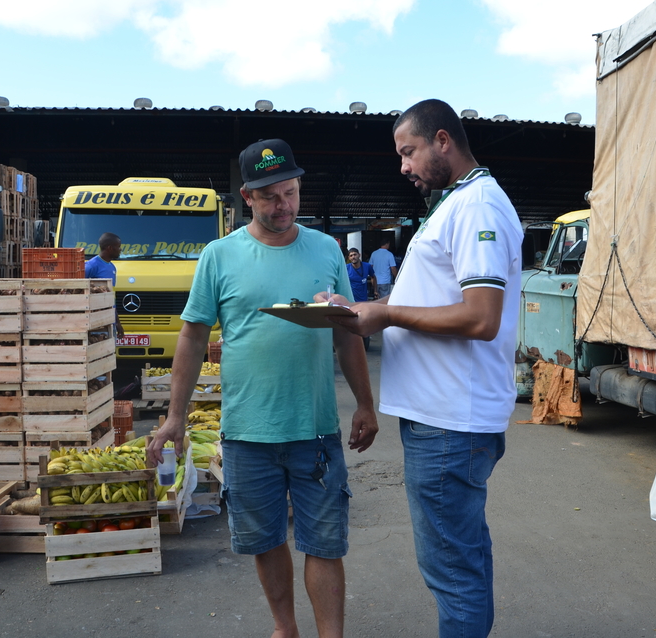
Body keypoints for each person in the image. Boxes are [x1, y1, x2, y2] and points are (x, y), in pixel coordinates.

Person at [147, 138, 379, 638]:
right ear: (247, 197)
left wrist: (365, 403)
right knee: (264, 538)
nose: (284, 205)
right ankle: (284, 628)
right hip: (248, 431)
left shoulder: (326, 249)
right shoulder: (220, 255)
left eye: (291, 193)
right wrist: (175, 416)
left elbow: (348, 332)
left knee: (324, 542)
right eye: (271, 196)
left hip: (314, 428)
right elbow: (192, 336)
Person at [324, 99, 523, 638]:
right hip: (444, 418)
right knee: (463, 557)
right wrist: (360, 312)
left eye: (408, 152)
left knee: (452, 570)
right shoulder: (459, 201)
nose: (404, 166)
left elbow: (481, 316)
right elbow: (437, 298)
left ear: (441, 140)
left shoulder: (478, 205)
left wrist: (384, 312)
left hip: (450, 422)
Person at [85, 232, 124, 338]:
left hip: (109, 321)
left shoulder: (112, 267)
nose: (120, 250)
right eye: (118, 247)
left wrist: (117, 322)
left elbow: (111, 298)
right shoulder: (91, 266)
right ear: (110, 248)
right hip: (96, 323)